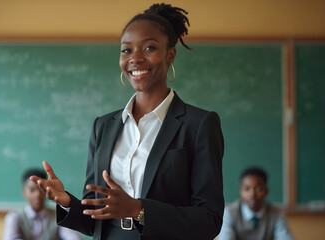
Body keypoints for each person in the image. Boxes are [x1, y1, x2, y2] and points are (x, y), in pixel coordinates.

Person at [31, 3, 224, 240]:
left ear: (170, 55)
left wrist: (138, 209)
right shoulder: (103, 126)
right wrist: (67, 202)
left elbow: (210, 220)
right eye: (126, 50)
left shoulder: (199, 125)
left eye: (149, 47)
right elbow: (95, 218)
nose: (135, 59)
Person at [218, 167, 294, 240]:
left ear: (266, 191)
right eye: (247, 189)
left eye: (258, 189)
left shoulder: (276, 213)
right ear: (241, 192)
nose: (252, 194)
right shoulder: (229, 213)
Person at [2, 168, 81, 240]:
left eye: (41, 189)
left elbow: (73, 237)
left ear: (47, 191)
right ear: (24, 193)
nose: (37, 195)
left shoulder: (58, 215)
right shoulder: (14, 217)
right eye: (32, 190)